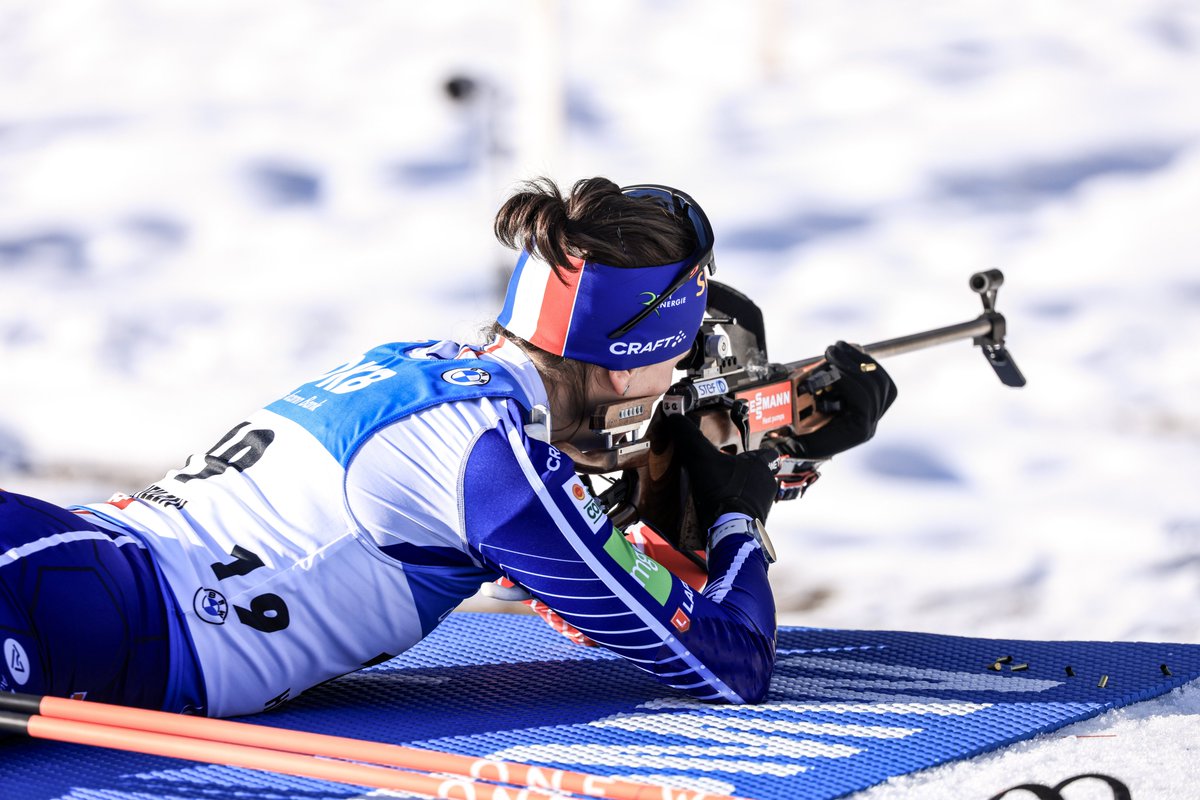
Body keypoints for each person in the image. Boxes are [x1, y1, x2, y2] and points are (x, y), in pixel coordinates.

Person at [0, 177, 896, 717]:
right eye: (676, 357)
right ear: (628, 360)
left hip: (75, 565)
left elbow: (586, 586)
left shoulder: (420, 367)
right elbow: (727, 665)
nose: (675, 379)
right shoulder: (495, 465)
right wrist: (739, 509)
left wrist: (762, 438)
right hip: (95, 617)